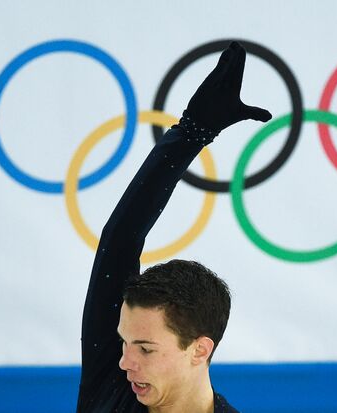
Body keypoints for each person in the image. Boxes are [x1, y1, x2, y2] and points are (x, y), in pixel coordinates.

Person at [76, 41, 272, 413]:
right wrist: (192, 132)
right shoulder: (112, 387)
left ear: (200, 349)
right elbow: (119, 239)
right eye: (123, 342)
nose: (124, 362)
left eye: (145, 349)